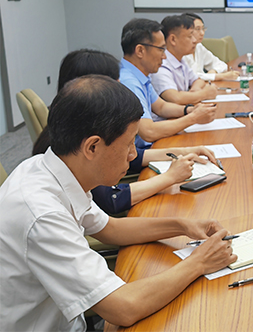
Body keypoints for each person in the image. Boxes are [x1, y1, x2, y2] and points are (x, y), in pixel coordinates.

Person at [0, 75, 237, 331]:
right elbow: (123, 307)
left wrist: (182, 225)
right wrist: (198, 262)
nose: (133, 155)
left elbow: (111, 229)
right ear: (92, 147)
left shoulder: (51, 168)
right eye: (128, 144)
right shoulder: (42, 214)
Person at [32, 49, 218, 215]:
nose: (120, 88)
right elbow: (111, 199)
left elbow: (134, 158)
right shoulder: (77, 147)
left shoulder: (72, 127)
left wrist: (184, 151)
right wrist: (170, 177)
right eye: (114, 83)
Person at [120, 18, 217, 147]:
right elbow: (148, 132)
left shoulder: (139, 75)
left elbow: (161, 107)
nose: (164, 56)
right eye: (161, 49)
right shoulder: (128, 82)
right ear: (140, 51)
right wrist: (194, 118)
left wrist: (190, 110)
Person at [150, 14, 219, 105]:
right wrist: (205, 94)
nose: (194, 40)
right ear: (173, 39)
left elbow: (198, 80)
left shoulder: (180, 60)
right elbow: (175, 98)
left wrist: (195, 91)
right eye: (190, 36)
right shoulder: (161, 64)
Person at [181, 13, 239, 81]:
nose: (202, 33)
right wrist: (220, 76)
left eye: (203, 28)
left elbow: (221, 64)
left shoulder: (199, 46)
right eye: (197, 29)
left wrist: (214, 71)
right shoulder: (181, 51)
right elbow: (191, 76)